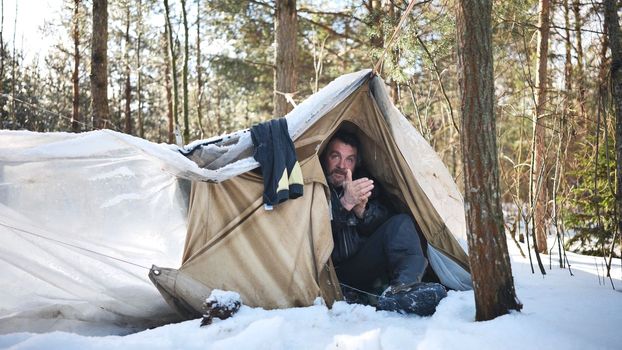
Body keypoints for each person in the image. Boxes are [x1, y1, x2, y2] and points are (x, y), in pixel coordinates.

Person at [322, 130, 447, 316]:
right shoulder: (314, 188)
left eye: (350, 159)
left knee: (401, 223)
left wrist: (362, 212)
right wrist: (344, 205)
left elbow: (386, 225)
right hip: (333, 273)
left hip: (363, 264)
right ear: (324, 157)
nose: (342, 165)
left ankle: (403, 290)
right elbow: (314, 237)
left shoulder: (363, 184)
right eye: (335, 156)